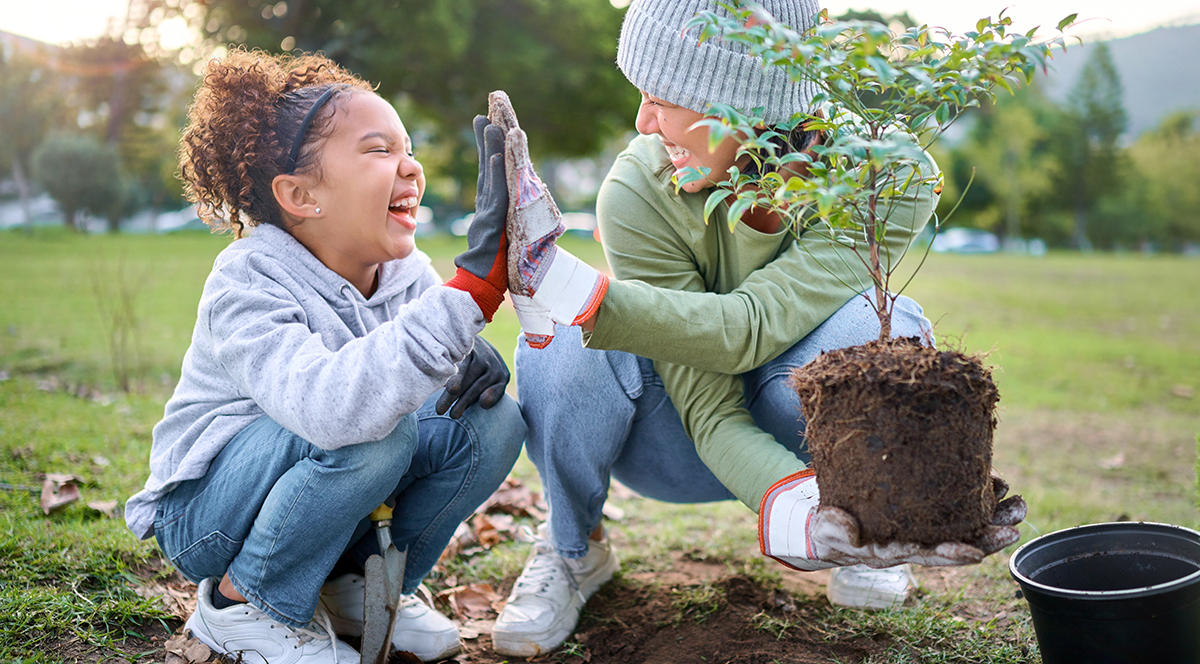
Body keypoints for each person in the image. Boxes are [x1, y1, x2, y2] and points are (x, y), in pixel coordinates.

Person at [484, 0, 1024, 657]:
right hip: (672, 437)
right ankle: (573, 548)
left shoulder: (888, 175)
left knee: (880, 327)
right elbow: (709, 410)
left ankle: (863, 523)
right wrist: (792, 508)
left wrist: (863, 502)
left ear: (741, 102)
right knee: (567, 343)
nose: (642, 121)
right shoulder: (639, 189)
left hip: (806, 428)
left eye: (662, 96)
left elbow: (751, 327)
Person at [123, 48, 526, 664]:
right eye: (379, 150)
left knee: (492, 423)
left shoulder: (405, 273)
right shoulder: (248, 280)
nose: (411, 167)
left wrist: (460, 354)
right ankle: (244, 604)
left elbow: (409, 372)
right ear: (301, 195)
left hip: (327, 481)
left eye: (409, 148)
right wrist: (470, 292)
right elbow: (335, 409)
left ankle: (355, 586)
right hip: (208, 515)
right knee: (370, 433)